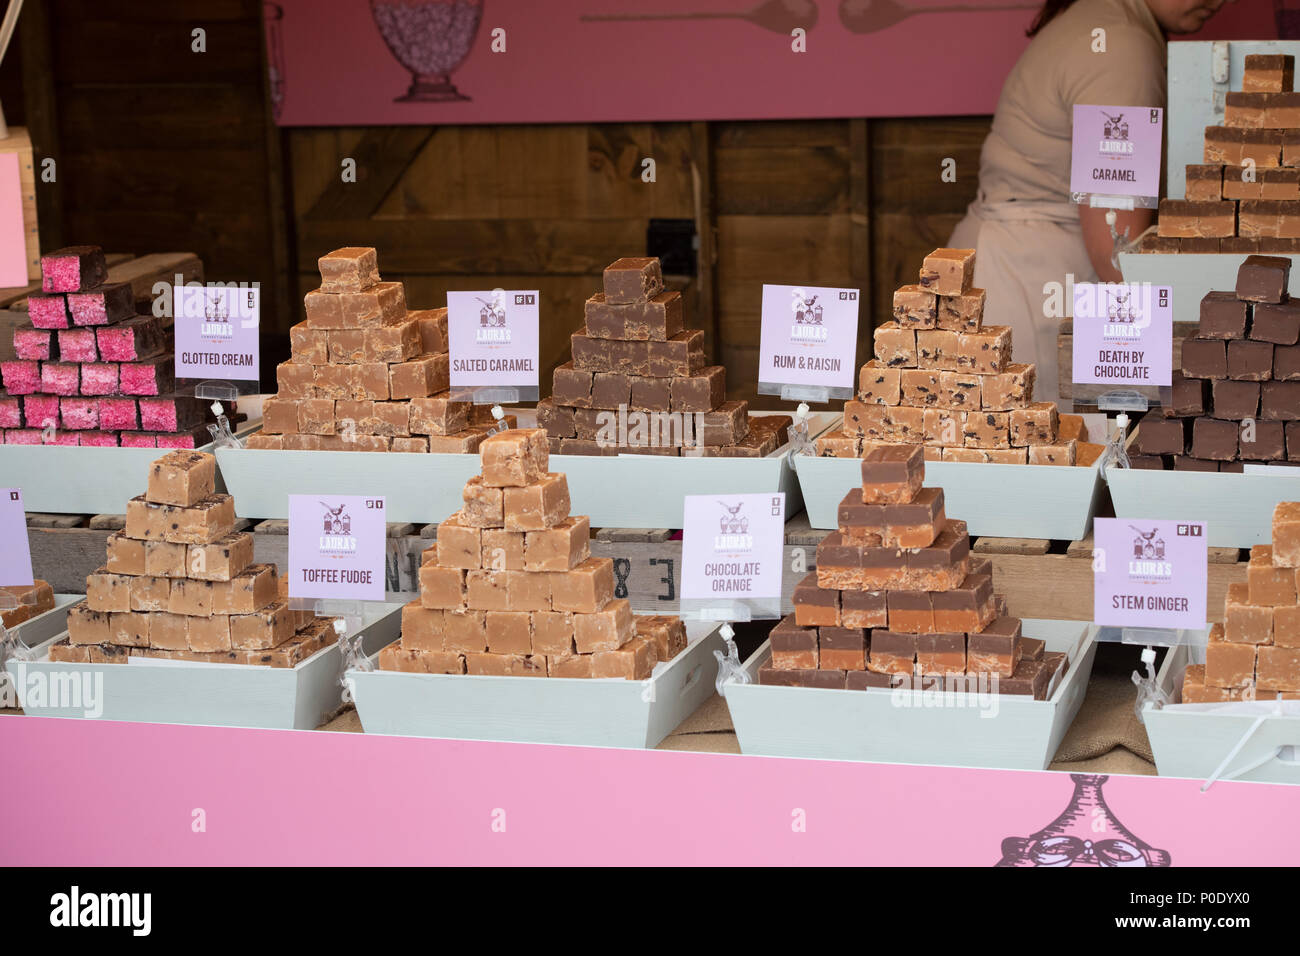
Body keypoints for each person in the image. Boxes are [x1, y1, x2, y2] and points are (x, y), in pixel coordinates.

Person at [947, 0, 1235, 406]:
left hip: (1011, 274)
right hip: (1032, 296)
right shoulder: (1121, 47)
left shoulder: (1101, 21)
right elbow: (1119, 254)